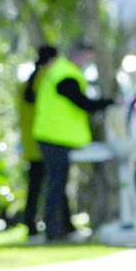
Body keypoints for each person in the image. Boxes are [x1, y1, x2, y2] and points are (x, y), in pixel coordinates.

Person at [32, 40, 113, 240]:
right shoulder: (66, 74)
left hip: (52, 135)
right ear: (79, 54)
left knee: (57, 185)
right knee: (56, 185)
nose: (89, 61)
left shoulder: (60, 70)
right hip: (56, 136)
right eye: (88, 57)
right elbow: (80, 102)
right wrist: (106, 102)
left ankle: (63, 228)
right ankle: (53, 232)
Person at [19, 45, 67, 242]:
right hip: (46, 139)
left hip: (31, 141)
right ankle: (59, 226)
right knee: (55, 185)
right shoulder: (47, 79)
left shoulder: (28, 81)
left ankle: (30, 224)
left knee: (35, 186)